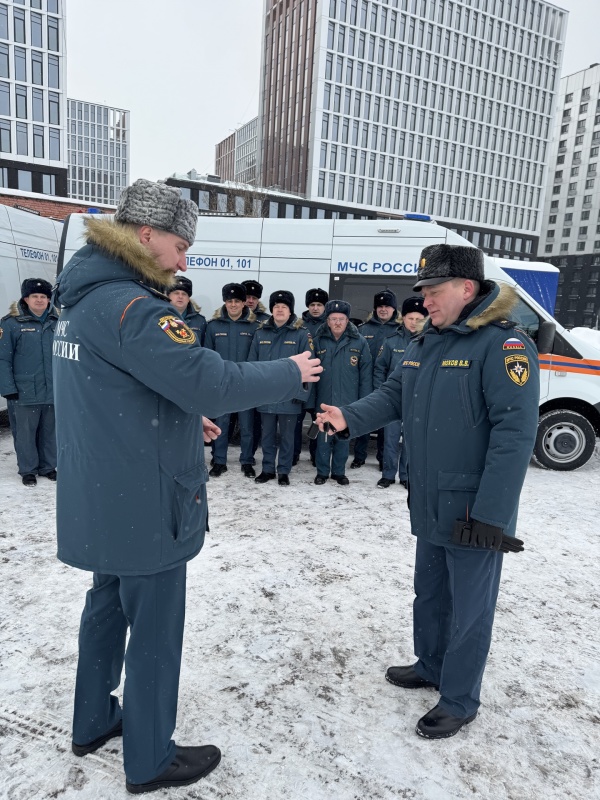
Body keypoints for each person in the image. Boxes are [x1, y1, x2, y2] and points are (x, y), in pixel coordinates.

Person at [52, 178, 321, 794]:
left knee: (104, 612)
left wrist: (177, 413)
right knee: (153, 633)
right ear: (145, 236)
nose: (183, 261)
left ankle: (92, 720)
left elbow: (111, 390)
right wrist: (289, 370)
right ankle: (149, 759)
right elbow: (213, 381)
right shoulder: (134, 308)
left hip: (104, 496)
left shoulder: (83, 301)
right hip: (146, 503)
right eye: (180, 247)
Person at [317, 244, 539, 740]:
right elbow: (395, 394)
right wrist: (348, 416)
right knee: (431, 593)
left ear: (467, 288)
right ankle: (432, 665)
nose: (424, 302)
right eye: (423, 292)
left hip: (473, 508)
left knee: (469, 609)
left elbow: (514, 434)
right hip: (430, 498)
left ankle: (460, 699)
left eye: (434, 292)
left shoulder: (504, 346)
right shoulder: (425, 342)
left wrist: (493, 516)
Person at [248, 290, 312, 485]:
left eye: (283, 307)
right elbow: (252, 365)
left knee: (287, 436)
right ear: (272, 309)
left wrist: (301, 394)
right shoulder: (261, 333)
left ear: (290, 310)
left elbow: (309, 366)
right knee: (266, 435)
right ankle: (267, 469)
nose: (279, 310)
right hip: (266, 395)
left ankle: (283, 470)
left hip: (289, 395)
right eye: (276, 307)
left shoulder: (301, 334)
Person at [0, 278, 58, 486]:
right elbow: (2, 358)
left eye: (44, 296)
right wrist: (7, 388)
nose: (40, 300)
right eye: (35, 296)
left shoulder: (57, 321)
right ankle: (28, 470)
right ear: (26, 298)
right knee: (25, 434)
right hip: (24, 391)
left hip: (52, 389)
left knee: (49, 432)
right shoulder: (11, 323)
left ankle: (48, 467)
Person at [311, 300, 372, 486]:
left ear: (347, 321)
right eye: (333, 319)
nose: (337, 322)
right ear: (327, 321)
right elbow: (310, 373)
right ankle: (322, 472)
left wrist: (364, 401)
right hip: (324, 398)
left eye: (341, 319)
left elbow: (366, 373)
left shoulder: (359, 342)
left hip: (349, 400)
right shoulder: (318, 340)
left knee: (343, 438)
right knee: (323, 437)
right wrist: (309, 400)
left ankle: (339, 472)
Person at [205, 283, 260, 478]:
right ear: (225, 302)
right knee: (221, 425)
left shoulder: (254, 327)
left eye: (237, 301)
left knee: (247, 427)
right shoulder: (213, 326)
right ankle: (219, 461)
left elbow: (257, 356)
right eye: (230, 301)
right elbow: (208, 356)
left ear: (245, 302)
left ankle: (247, 461)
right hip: (222, 384)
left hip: (246, 383)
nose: (233, 305)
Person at [374, 296, 428, 489]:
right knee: (390, 438)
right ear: (402, 318)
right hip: (394, 399)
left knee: (410, 440)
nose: (414, 323)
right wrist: (383, 393)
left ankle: (406, 475)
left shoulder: (429, 341)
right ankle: (388, 474)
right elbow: (379, 368)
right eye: (410, 318)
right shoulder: (390, 341)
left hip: (419, 400)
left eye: (418, 319)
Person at [352, 289, 401, 470]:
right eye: (379, 306)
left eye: (387, 306)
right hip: (365, 382)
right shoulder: (364, 329)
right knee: (364, 419)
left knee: (384, 422)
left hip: (387, 384)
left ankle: (382, 458)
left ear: (394, 309)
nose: (383, 310)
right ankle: (359, 455)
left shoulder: (399, 330)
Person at [294, 287, 329, 465]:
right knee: (296, 420)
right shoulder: (299, 325)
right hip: (304, 381)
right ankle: (294, 453)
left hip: (322, 381)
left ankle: (316, 455)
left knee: (318, 420)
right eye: (312, 305)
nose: (315, 308)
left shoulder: (330, 324)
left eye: (319, 305)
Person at [167, 275, 206, 346]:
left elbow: (203, 348)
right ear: (169, 296)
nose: (180, 297)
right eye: (176, 293)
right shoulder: (160, 316)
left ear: (188, 299)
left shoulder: (199, 321)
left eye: (184, 294)